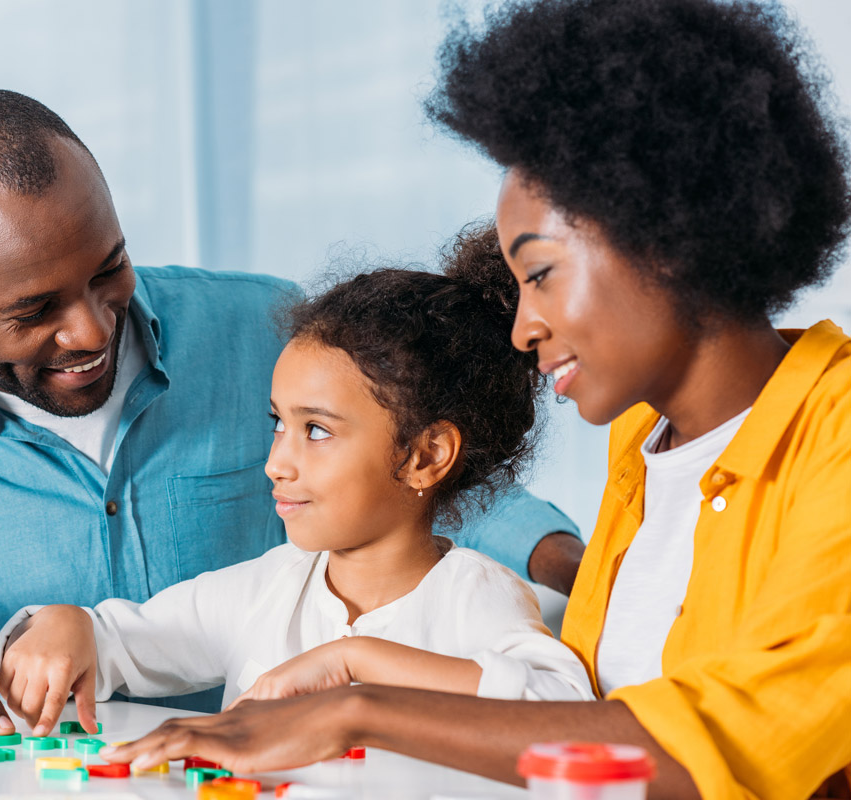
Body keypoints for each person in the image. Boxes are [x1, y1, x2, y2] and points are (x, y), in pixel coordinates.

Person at [101, 1, 851, 797]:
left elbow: (720, 745)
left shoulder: (834, 438)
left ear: (665, 237)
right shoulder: (643, 439)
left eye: (541, 274)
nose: (524, 327)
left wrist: (357, 708)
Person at [0, 91, 580, 730]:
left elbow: (433, 473)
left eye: (107, 270)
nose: (92, 328)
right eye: (33, 312)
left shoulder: (270, 333)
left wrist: (584, 571)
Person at [0, 229, 593, 736]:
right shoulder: (264, 589)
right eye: (278, 423)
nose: (277, 462)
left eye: (318, 431)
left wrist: (356, 662)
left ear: (425, 456)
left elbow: (568, 712)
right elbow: (117, 642)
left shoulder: (476, 596)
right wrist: (69, 626)